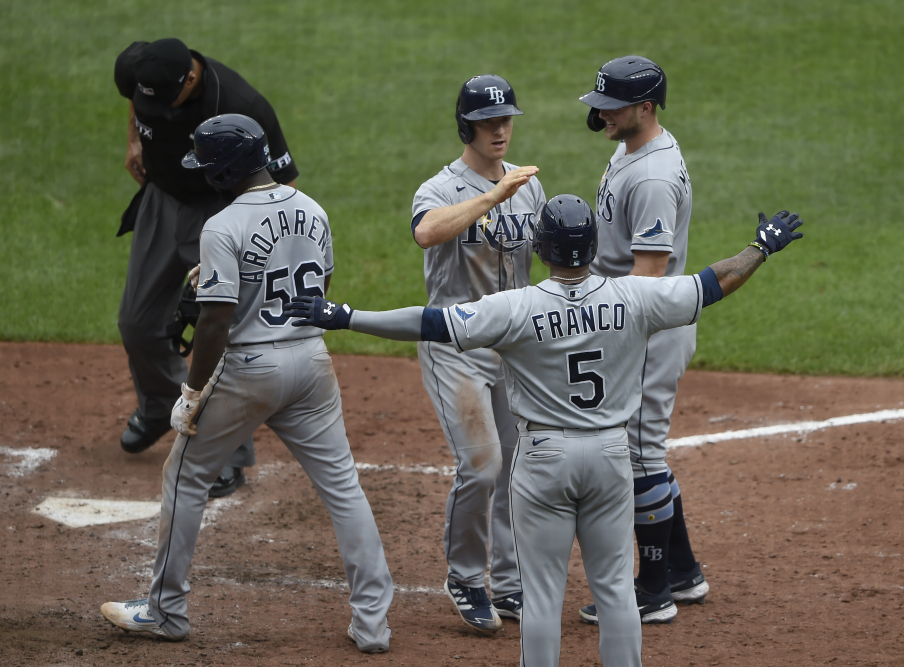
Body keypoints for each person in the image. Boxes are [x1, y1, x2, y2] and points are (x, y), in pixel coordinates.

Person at [283, 195, 804, 666]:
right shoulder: (636, 298)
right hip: (609, 456)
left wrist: (345, 315)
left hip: (543, 461)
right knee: (617, 590)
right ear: (595, 246)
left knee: (542, 594)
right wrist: (761, 247)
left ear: (540, 248)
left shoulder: (515, 308)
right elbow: (714, 284)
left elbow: (429, 323)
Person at [99, 115, 393, 654]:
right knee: (343, 487)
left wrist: (190, 395)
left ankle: (165, 611)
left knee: (185, 479)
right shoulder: (313, 209)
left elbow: (214, 322)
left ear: (224, 170)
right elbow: (319, 285)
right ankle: (374, 625)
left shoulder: (222, 226)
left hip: (249, 370)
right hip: (311, 362)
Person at [114, 37, 299, 496]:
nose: (148, 104)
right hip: (161, 200)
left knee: (220, 333)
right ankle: (159, 406)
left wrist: (253, 249)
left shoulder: (239, 103)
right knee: (137, 324)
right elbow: (138, 105)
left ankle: (228, 454)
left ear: (191, 79)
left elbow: (282, 181)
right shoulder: (147, 72)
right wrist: (134, 140)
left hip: (220, 212)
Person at [409, 74, 546, 630]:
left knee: (519, 467)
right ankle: (467, 576)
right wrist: (492, 196)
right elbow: (426, 233)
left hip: (512, 349)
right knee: (483, 465)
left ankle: (512, 585)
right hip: (456, 347)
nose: (500, 129)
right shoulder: (438, 188)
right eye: (489, 121)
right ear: (466, 125)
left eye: (506, 119)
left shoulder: (529, 184)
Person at [575, 55, 707, 624]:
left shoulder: (652, 177)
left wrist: (599, 318)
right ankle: (683, 572)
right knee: (642, 449)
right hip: (642, 321)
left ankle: (652, 592)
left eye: (612, 105)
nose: (601, 113)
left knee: (637, 453)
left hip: (646, 326)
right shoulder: (632, 147)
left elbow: (647, 276)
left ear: (645, 109)